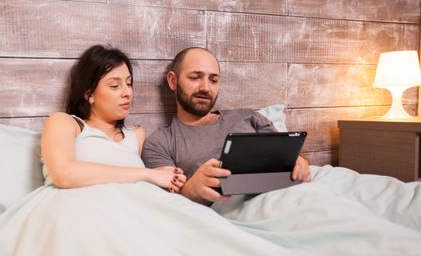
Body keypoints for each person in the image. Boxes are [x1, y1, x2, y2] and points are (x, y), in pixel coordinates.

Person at [142, 47, 310, 204]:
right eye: (195, 77)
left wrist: (300, 160)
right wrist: (190, 189)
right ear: (173, 81)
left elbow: (289, 154)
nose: (205, 88)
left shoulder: (248, 116)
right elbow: (166, 203)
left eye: (213, 80)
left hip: (290, 194)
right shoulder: (160, 143)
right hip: (234, 207)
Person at [41, 44, 186, 192]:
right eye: (115, 86)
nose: (127, 92)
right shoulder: (63, 122)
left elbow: (135, 184)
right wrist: (148, 174)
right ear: (89, 94)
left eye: (129, 83)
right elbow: (65, 175)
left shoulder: (136, 135)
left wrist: (164, 177)